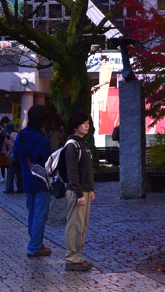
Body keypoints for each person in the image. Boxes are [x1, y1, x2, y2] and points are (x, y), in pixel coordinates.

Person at [15, 104, 53, 258]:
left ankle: (36, 242)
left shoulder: (21, 136)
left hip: (26, 180)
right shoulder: (43, 140)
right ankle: (35, 246)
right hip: (42, 182)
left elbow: (16, 158)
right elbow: (49, 164)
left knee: (32, 213)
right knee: (40, 215)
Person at [62, 111, 94, 272]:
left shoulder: (83, 143)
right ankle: (72, 259)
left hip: (85, 190)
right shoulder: (71, 145)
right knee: (74, 225)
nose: (87, 125)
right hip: (76, 191)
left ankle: (78, 257)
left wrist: (90, 189)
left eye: (88, 122)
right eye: (83, 123)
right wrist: (79, 193)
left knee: (82, 225)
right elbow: (72, 172)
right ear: (75, 126)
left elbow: (86, 170)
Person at [3, 122, 22, 193]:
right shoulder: (17, 134)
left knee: (10, 173)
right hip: (19, 156)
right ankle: (20, 188)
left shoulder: (12, 135)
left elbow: (14, 145)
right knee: (19, 173)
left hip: (15, 156)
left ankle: (9, 188)